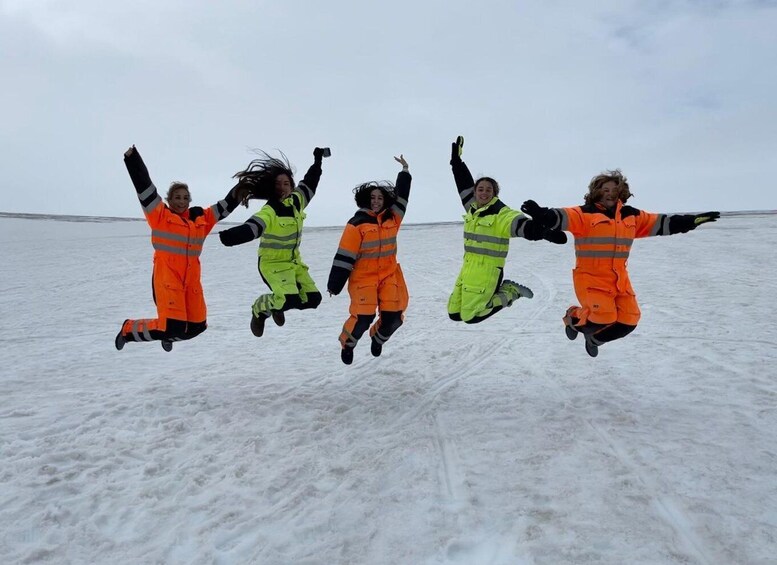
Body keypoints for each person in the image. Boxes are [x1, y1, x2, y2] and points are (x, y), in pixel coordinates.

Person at [521, 169, 720, 357]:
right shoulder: (585, 214)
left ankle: (594, 339)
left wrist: (690, 221)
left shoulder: (631, 216)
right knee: (603, 317)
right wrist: (541, 213)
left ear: (621, 193)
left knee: (629, 319)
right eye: (605, 190)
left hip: (619, 280)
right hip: (591, 279)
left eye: (614, 190)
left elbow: (661, 223)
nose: (610, 194)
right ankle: (573, 317)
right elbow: (562, 217)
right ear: (596, 192)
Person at [115, 145, 249, 352]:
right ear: (169, 200)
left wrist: (242, 188)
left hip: (191, 283)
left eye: (185, 197)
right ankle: (128, 329)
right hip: (167, 280)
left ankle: (168, 335)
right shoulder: (160, 217)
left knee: (197, 327)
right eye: (177, 197)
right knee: (172, 326)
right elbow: (145, 189)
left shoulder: (200, 221)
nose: (181, 201)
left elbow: (224, 207)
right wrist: (133, 160)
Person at [447, 136, 567, 324]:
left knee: (473, 316)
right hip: (468, 267)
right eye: (480, 189)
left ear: (495, 193)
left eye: (489, 190)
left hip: (488, 271)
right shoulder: (472, 207)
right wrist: (456, 162)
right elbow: (462, 183)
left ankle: (511, 292)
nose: (484, 193)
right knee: (454, 313)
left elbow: (523, 227)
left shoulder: (501, 213)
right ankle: (504, 293)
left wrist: (545, 232)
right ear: (475, 192)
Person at [219, 147, 328, 337]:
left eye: (287, 183)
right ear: (271, 187)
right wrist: (231, 236)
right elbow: (254, 226)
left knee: (313, 299)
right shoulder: (270, 210)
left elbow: (310, 182)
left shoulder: (297, 201)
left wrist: (318, 160)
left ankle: (278, 306)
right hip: (272, 265)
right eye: (278, 184)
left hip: (294, 263)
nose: (283, 187)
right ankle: (259, 309)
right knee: (288, 299)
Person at [327, 155, 412, 365]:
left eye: (380, 198)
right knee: (363, 318)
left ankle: (378, 338)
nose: (376, 201)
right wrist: (334, 284)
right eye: (372, 198)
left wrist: (405, 171)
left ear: (385, 201)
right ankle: (348, 344)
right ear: (366, 199)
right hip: (363, 279)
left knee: (393, 318)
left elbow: (403, 196)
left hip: (389, 275)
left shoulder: (393, 219)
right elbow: (344, 256)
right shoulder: (356, 224)